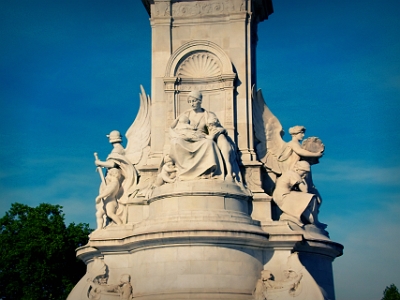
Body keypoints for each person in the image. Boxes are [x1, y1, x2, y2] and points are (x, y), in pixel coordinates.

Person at [169, 90, 240, 181]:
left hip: (202, 138)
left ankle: (207, 172)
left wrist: (213, 135)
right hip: (188, 138)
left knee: (209, 143)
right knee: (176, 142)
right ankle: (182, 172)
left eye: (194, 101)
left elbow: (217, 128)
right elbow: (176, 127)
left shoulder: (208, 115)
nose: (192, 104)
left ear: (200, 101)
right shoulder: (186, 114)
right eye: (190, 102)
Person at [272, 161, 324, 228]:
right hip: (283, 196)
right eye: (304, 172)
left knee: (311, 198)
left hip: (283, 194)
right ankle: (312, 220)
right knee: (311, 198)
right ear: (297, 169)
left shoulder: (291, 174)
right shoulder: (293, 174)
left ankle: (311, 219)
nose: (305, 175)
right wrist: (303, 180)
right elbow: (305, 190)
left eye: (306, 173)